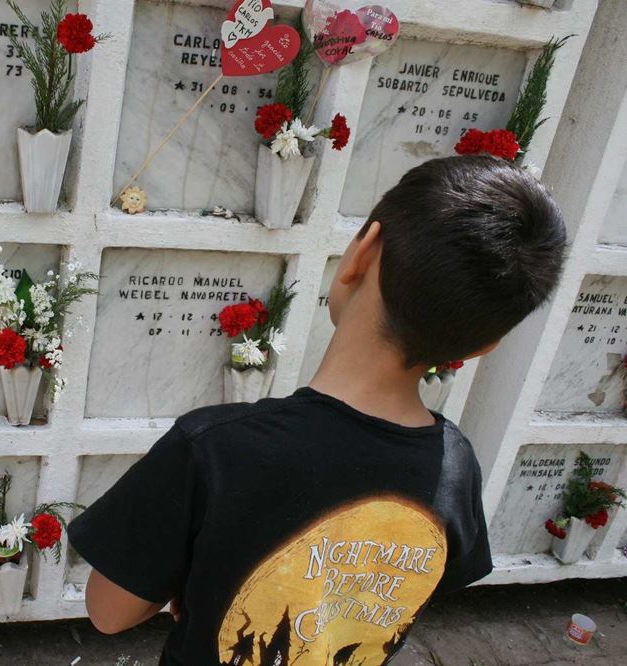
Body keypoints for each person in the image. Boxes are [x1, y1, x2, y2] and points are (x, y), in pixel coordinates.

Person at [67, 155, 567, 665]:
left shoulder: (214, 449)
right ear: (485, 344)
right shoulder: (455, 466)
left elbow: (109, 613)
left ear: (363, 251)